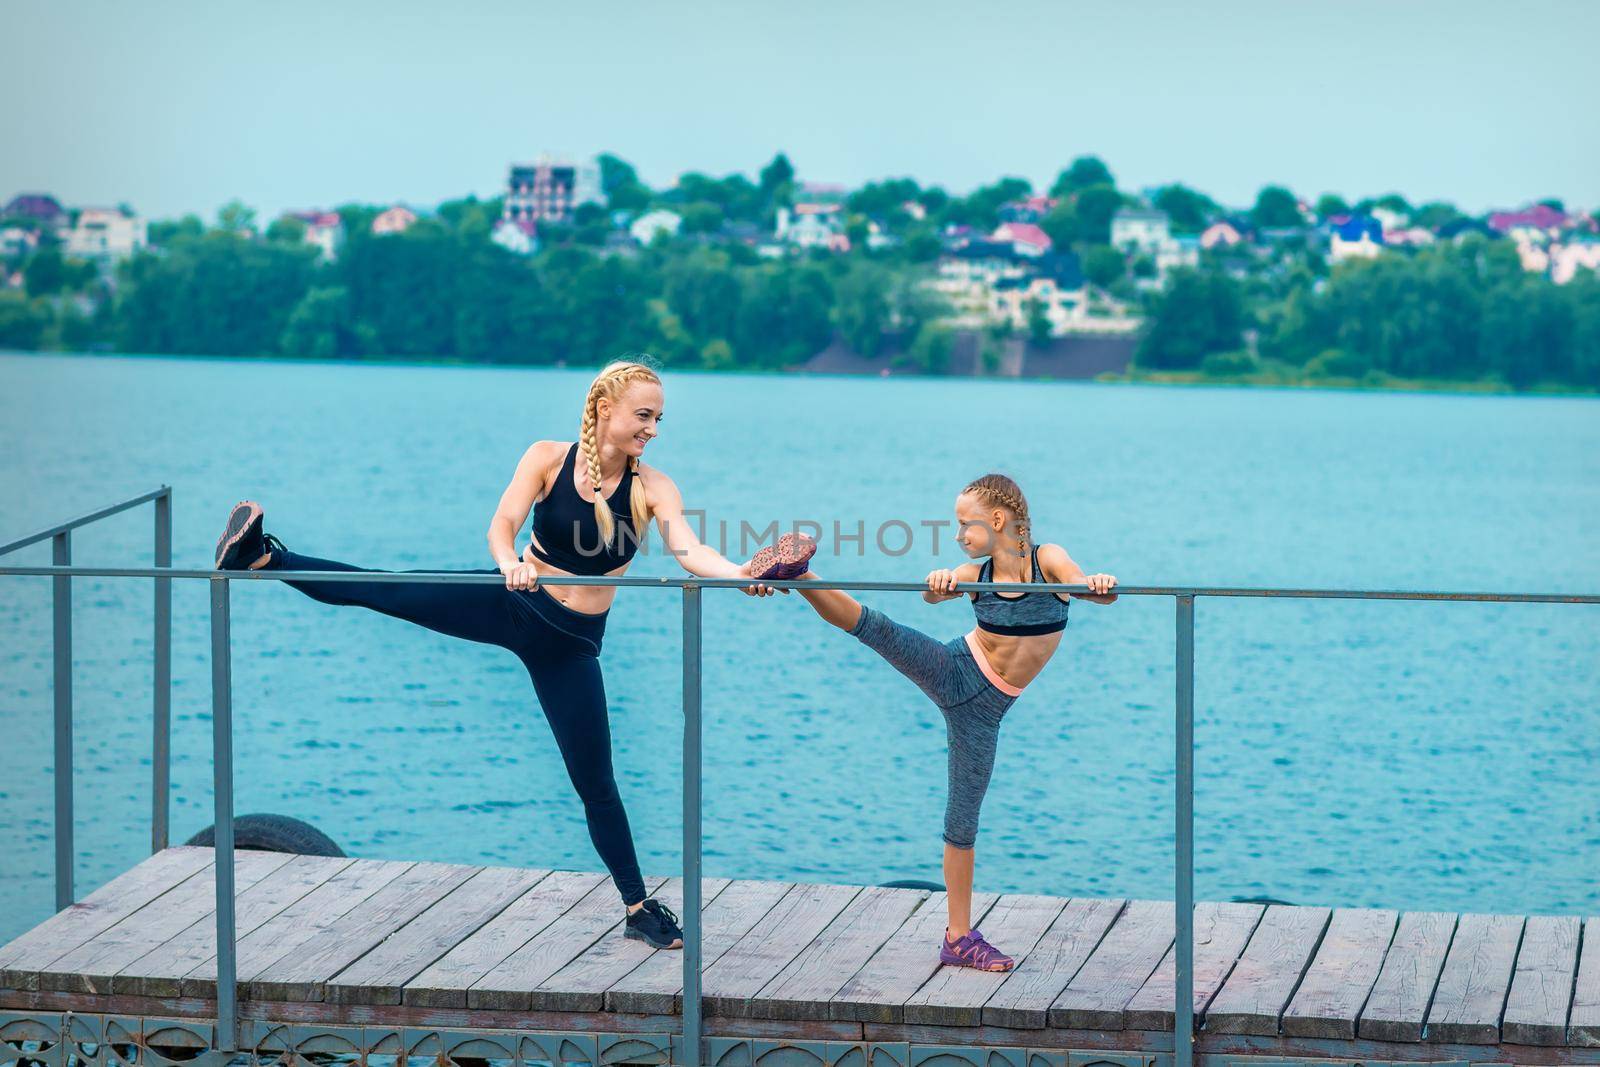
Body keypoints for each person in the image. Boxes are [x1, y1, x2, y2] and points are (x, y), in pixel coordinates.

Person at [211, 359, 815, 949]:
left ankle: (636, 908)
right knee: (385, 586)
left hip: (571, 645)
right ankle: (264, 557)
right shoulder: (547, 459)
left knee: (596, 783)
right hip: (512, 601)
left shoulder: (652, 487)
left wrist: (737, 573)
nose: (652, 430)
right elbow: (503, 524)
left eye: (659, 419)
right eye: (643, 415)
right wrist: (510, 564)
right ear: (605, 409)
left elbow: (688, 550)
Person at [787, 474, 1116, 970]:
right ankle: (801, 576)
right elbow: (933, 595)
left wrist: (1099, 584)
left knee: (962, 824)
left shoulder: (1047, 561)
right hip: (955, 669)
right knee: (875, 628)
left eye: (966, 524)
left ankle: (955, 940)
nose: (960, 534)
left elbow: (1096, 593)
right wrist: (941, 584)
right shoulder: (974, 573)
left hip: (985, 712)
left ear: (998, 520)